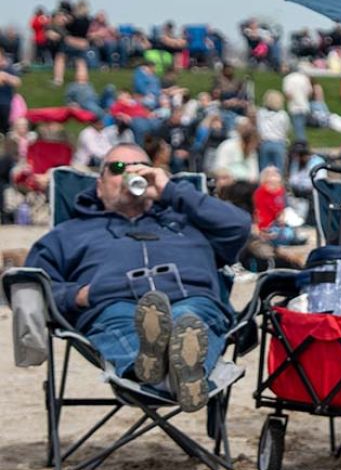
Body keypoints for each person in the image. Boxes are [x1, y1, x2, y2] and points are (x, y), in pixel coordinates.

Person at [24, 143, 251, 412]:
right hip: (113, 305)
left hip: (191, 298)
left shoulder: (185, 219)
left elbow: (239, 226)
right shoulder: (70, 233)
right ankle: (179, 377)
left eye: (140, 168)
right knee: (128, 320)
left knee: (188, 320)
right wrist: (79, 295)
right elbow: (34, 285)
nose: (129, 173)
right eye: (118, 168)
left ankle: (161, 372)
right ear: (99, 186)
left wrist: (170, 191)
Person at [212, 117, 261, 182]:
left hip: (246, 184)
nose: (254, 148)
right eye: (252, 145)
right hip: (229, 181)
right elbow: (219, 169)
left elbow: (254, 173)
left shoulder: (251, 152)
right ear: (245, 142)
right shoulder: (227, 146)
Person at [256, 90, 291, 172]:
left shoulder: (261, 113)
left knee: (264, 169)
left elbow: (259, 128)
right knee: (279, 169)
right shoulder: (283, 115)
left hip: (265, 142)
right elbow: (287, 129)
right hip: (279, 142)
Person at [282, 69, 313, 142]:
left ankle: (301, 146)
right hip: (305, 106)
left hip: (294, 107)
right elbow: (310, 92)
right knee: (300, 128)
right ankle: (300, 145)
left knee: (298, 130)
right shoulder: (304, 78)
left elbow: (288, 94)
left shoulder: (287, 79)